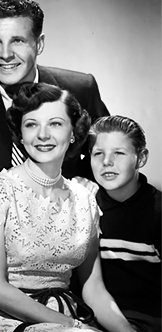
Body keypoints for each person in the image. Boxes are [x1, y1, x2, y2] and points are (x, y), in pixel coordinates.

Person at [0, 83, 134, 331]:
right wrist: (72, 325)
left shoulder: (85, 199)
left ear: (73, 132)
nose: (43, 135)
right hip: (9, 321)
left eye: (55, 123)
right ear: (20, 133)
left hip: (71, 319)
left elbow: (94, 288)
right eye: (31, 124)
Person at [0, 0, 109, 183]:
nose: (5, 54)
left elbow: (110, 158)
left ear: (39, 44)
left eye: (17, 41)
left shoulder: (80, 90)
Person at [88, 116, 161, 331]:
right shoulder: (85, 206)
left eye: (119, 153)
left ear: (141, 157)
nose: (107, 162)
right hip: (92, 319)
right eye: (98, 153)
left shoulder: (157, 210)